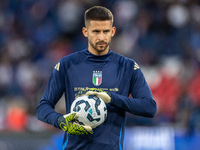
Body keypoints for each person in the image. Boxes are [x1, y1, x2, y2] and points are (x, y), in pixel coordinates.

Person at [36, 6, 157, 150]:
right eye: (96, 31)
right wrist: (61, 121)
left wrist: (112, 98)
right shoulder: (67, 64)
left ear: (112, 31)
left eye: (106, 31)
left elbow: (150, 108)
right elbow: (43, 108)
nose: (101, 37)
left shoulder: (128, 67)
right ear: (85, 32)